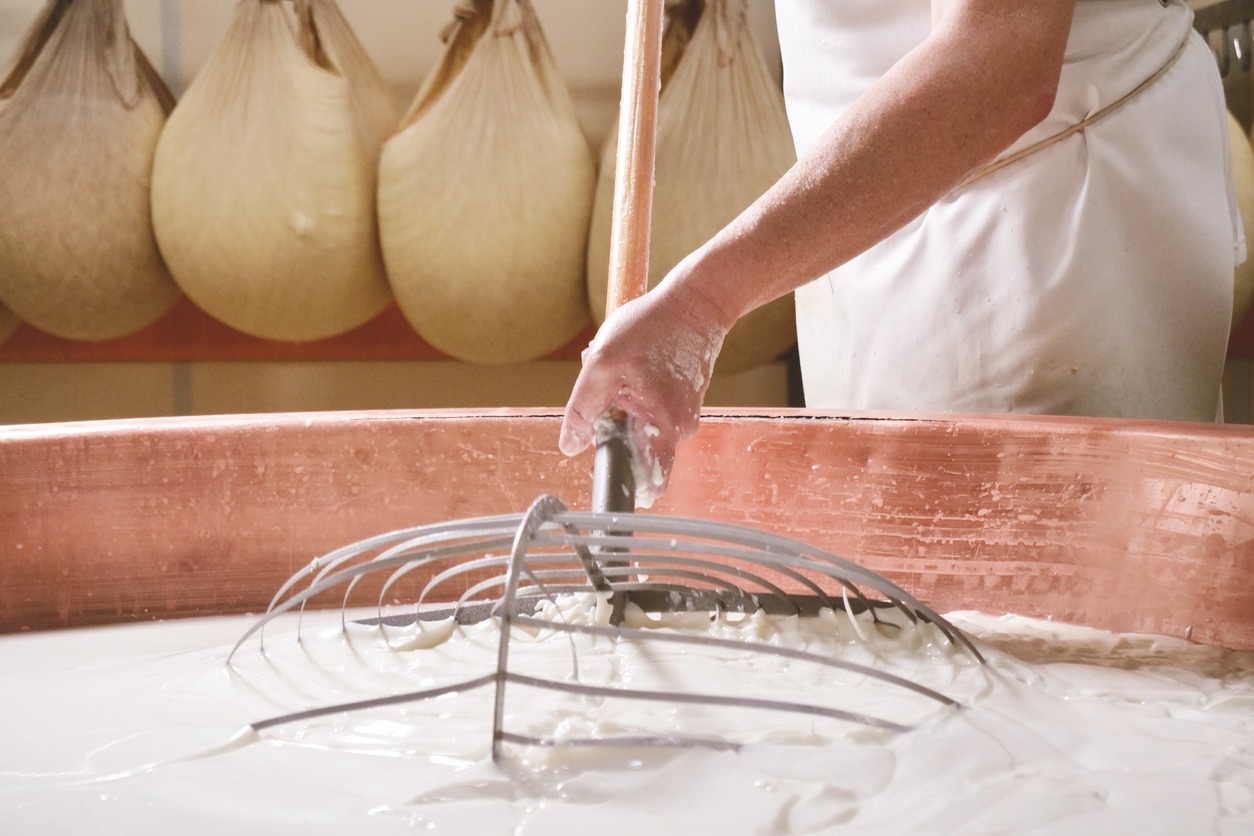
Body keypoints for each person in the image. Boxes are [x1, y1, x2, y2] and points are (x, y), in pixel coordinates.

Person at [559, 0, 1244, 506]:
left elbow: (998, 64)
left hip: (1043, 254)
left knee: (1061, 638)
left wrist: (699, 303)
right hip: (865, 241)